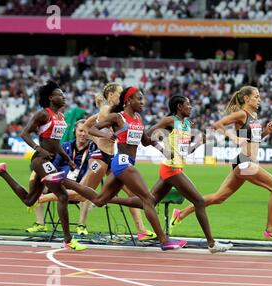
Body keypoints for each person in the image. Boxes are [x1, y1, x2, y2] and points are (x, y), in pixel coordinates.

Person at [47, 87, 187, 251]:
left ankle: (63, 181)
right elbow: (91, 128)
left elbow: (145, 141)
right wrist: (106, 135)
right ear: (128, 100)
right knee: (148, 199)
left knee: (99, 201)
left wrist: (163, 149)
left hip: (125, 164)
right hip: (122, 162)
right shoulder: (117, 117)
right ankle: (164, 240)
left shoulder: (137, 118)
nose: (143, 102)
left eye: (143, 99)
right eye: (139, 99)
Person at [114, 95, 233, 253]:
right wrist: (162, 147)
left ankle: (110, 198)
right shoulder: (169, 121)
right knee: (199, 201)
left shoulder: (186, 124)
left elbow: (185, 152)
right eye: (188, 104)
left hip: (175, 168)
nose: (191, 107)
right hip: (171, 169)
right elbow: (147, 135)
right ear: (179, 106)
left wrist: (199, 143)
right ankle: (211, 243)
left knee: (149, 201)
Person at [169, 86, 272, 242]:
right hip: (245, 163)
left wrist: (266, 132)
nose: (259, 99)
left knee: (218, 198)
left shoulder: (253, 116)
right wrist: (233, 137)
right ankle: (270, 229)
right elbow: (217, 125)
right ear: (247, 99)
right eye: (256, 96)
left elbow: (254, 140)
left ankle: (180, 214)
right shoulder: (242, 114)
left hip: (244, 162)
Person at [38, 83, 156, 239]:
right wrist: (101, 138)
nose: (121, 97)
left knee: (131, 192)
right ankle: (42, 198)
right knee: (83, 194)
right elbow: (91, 128)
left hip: (112, 157)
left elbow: (87, 124)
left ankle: (141, 230)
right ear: (111, 95)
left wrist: (95, 136)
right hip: (100, 156)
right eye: (119, 93)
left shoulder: (115, 112)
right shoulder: (106, 110)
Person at [0, 80, 86, 251]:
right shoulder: (43, 114)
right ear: (51, 98)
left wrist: (67, 158)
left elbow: (56, 143)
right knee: (62, 195)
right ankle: (68, 239)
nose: (64, 96)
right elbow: (24, 133)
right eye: (60, 94)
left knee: (29, 200)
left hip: (49, 161)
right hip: (40, 161)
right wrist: (39, 149)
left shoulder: (60, 116)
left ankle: (2, 171)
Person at [26, 119, 94, 235]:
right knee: (37, 183)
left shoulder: (94, 149)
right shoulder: (65, 146)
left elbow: (92, 171)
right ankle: (40, 223)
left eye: (86, 131)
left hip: (79, 187)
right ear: (75, 131)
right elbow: (53, 166)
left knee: (87, 189)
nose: (83, 134)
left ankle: (81, 226)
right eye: (80, 130)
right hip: (60, 185)